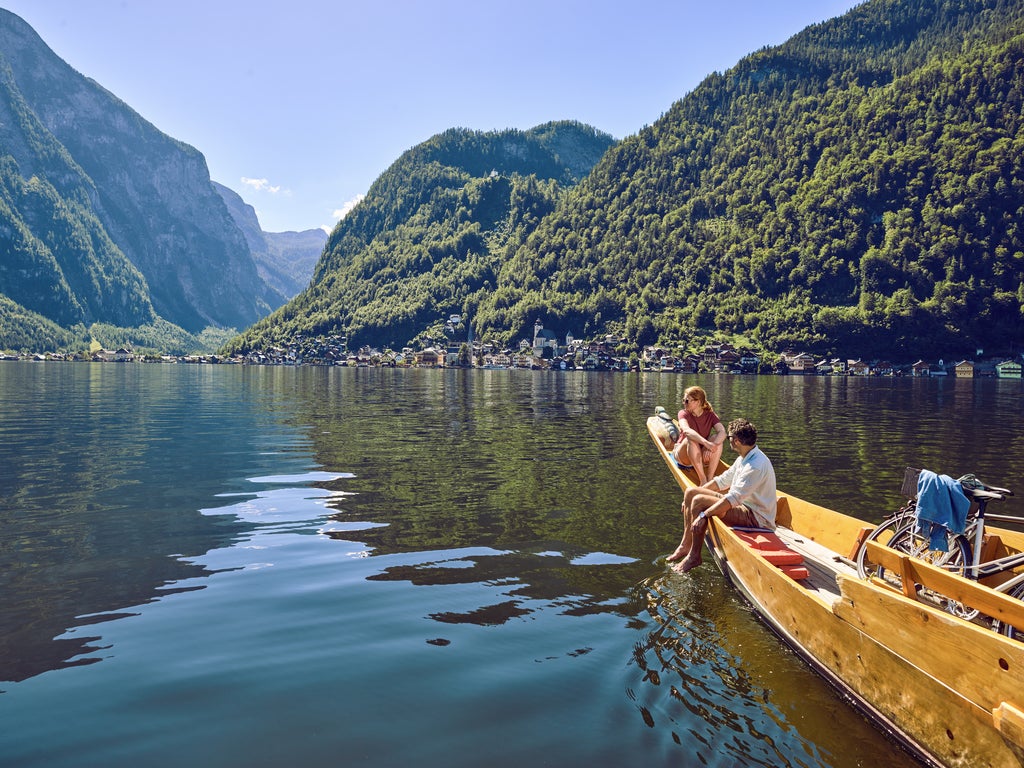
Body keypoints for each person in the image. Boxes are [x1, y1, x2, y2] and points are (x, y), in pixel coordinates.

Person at [666, 418, 777, 573]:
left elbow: (733, 499)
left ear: (736, 441)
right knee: (691, 492)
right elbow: (721, 481)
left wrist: (704, 514)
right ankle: (686, 544)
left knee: (698, 502)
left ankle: (694, 556)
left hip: (756, 517)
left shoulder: (755, 466)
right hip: (742, 506)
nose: (728, 440)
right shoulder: (745, 457)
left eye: (729, 438)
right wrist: (690, 497)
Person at [672, 386, 726, 485]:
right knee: (691, 438)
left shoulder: (710, 414)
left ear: (698, 402)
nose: (684, 403)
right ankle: (703, 480)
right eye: (684, 400)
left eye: (687, 401)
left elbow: (722, 431)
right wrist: (707, 443)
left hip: (701, 453)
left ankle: (709, 478)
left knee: (717, 439)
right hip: (683, 456)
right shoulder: (683, 413)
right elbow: (687, 430)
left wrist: (712, 445)